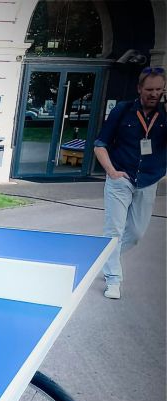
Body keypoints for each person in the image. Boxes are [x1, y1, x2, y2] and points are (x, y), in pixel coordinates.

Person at [94, 66, 166, 300]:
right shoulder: (123, 111)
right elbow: (100, 144)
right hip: (120, 178)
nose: (154, 94)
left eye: (159, 89)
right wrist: (112, 171)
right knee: (113, 230)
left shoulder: (165, 115)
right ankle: (113, 279)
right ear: (139, 89)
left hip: (148, 180)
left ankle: (102, 258)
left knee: (135, 233)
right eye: (149, 89)